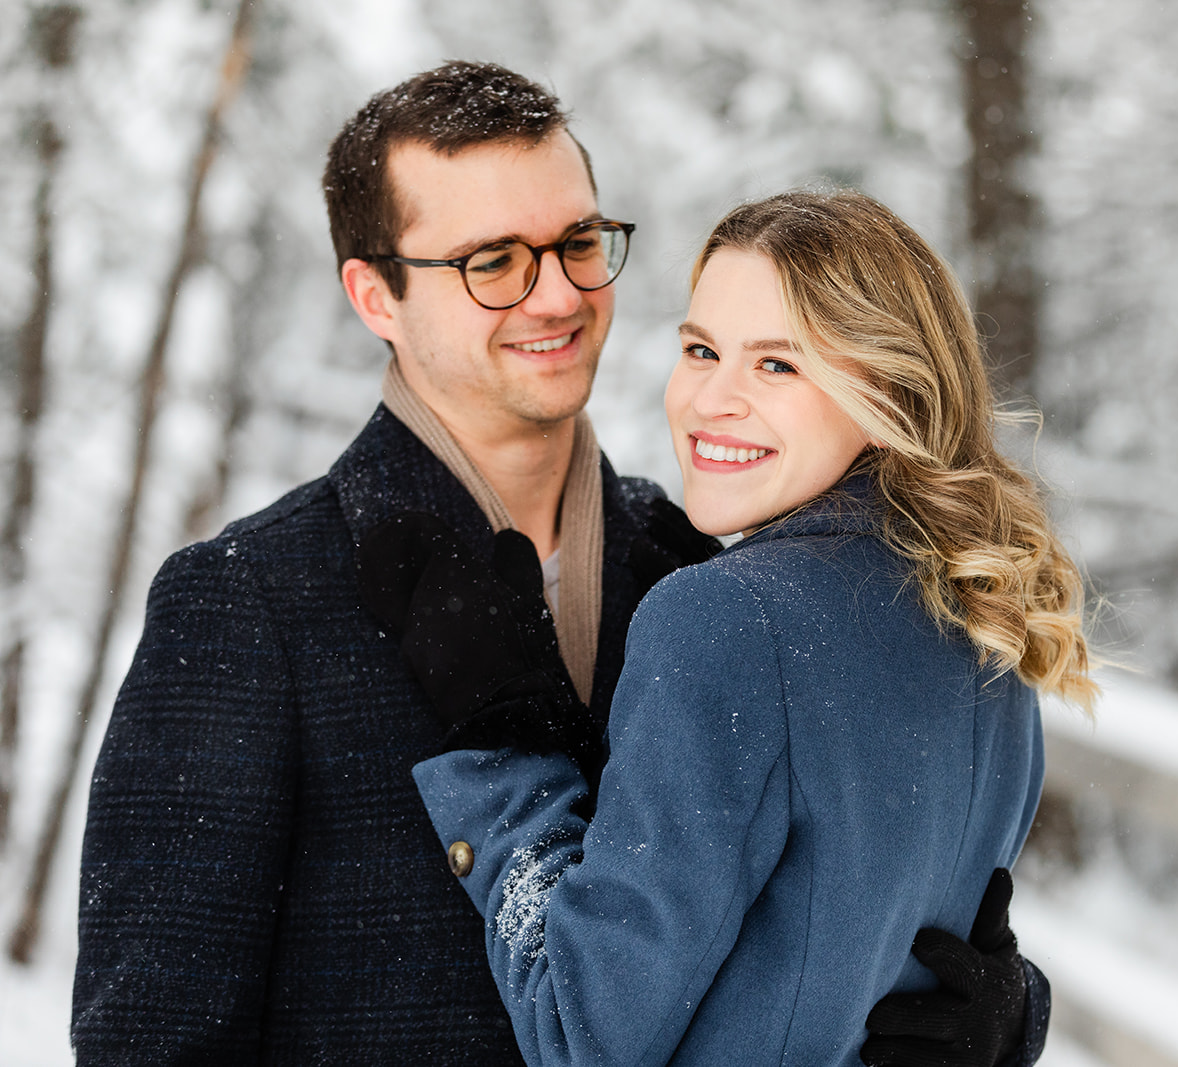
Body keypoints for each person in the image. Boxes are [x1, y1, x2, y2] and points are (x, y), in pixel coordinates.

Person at [72, 62, 1050, 1065]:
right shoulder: (246, 602)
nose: (556, 293)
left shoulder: (694, 566)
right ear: (376, 295)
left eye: (578, 243)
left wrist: (993, 1010)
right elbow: (147, 1039)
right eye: (493, 260)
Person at [378, 189, 1097, 1065]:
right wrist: (1015, 1016)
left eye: (777, 366)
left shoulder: (728, 620)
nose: (710, 399)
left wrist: (506, 756)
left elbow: (582, 1033)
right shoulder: (982, 605)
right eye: (702, 349)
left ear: (886, 391)